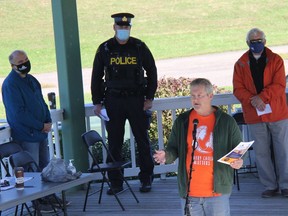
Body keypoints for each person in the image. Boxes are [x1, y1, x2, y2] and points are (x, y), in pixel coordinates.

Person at [153, 78, 243, 216]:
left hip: (217, 192)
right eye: (193, 96)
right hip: (190, 192)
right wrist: (166, 155)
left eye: (200, 95)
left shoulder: (226, 121)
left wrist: (238, 161)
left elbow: (239, 149)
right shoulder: (183, 121)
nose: (196, 99)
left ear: (210, 96)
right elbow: (173, 148)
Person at [91, 13, 158, 194]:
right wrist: (97, 102)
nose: (123, 30)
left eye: (126, 27)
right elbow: (96, 77)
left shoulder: (139, 47)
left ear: (130, 28)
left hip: (136, 100)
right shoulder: (105, 49)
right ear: (114, 28)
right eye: (120, 27)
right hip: (113, 101)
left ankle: (146, 179)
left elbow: (152, 71)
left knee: (143, 141)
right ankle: (116, 183)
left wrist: (149, 97)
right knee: (114, 143)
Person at [1, 50, 68, 212]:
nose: (24, 64)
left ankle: (48, 197)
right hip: (27, 135)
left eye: (26, 60)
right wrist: (40, 125)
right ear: (13, 66)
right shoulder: (10, 85)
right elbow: (18, 113)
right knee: (33, 170)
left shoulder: (31, 80)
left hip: (41, 133)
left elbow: (41, 102)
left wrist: (48, 120)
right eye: (20, 62)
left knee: (44, 168)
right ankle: (37, 202)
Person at [233, 28, 288, 198]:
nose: (256, 44)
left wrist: (262, 98)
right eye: (252, 41)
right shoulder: (240, 63)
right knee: (261, 151)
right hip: (254, 114)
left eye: (259, 40)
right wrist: (253, 100)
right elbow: (237, 89)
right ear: (247, 43)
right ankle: (270, 186)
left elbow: (279, 85)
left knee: (283, 150)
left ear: (264, 41)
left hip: (277, 113)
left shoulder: (276, 60)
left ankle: (285, 185)